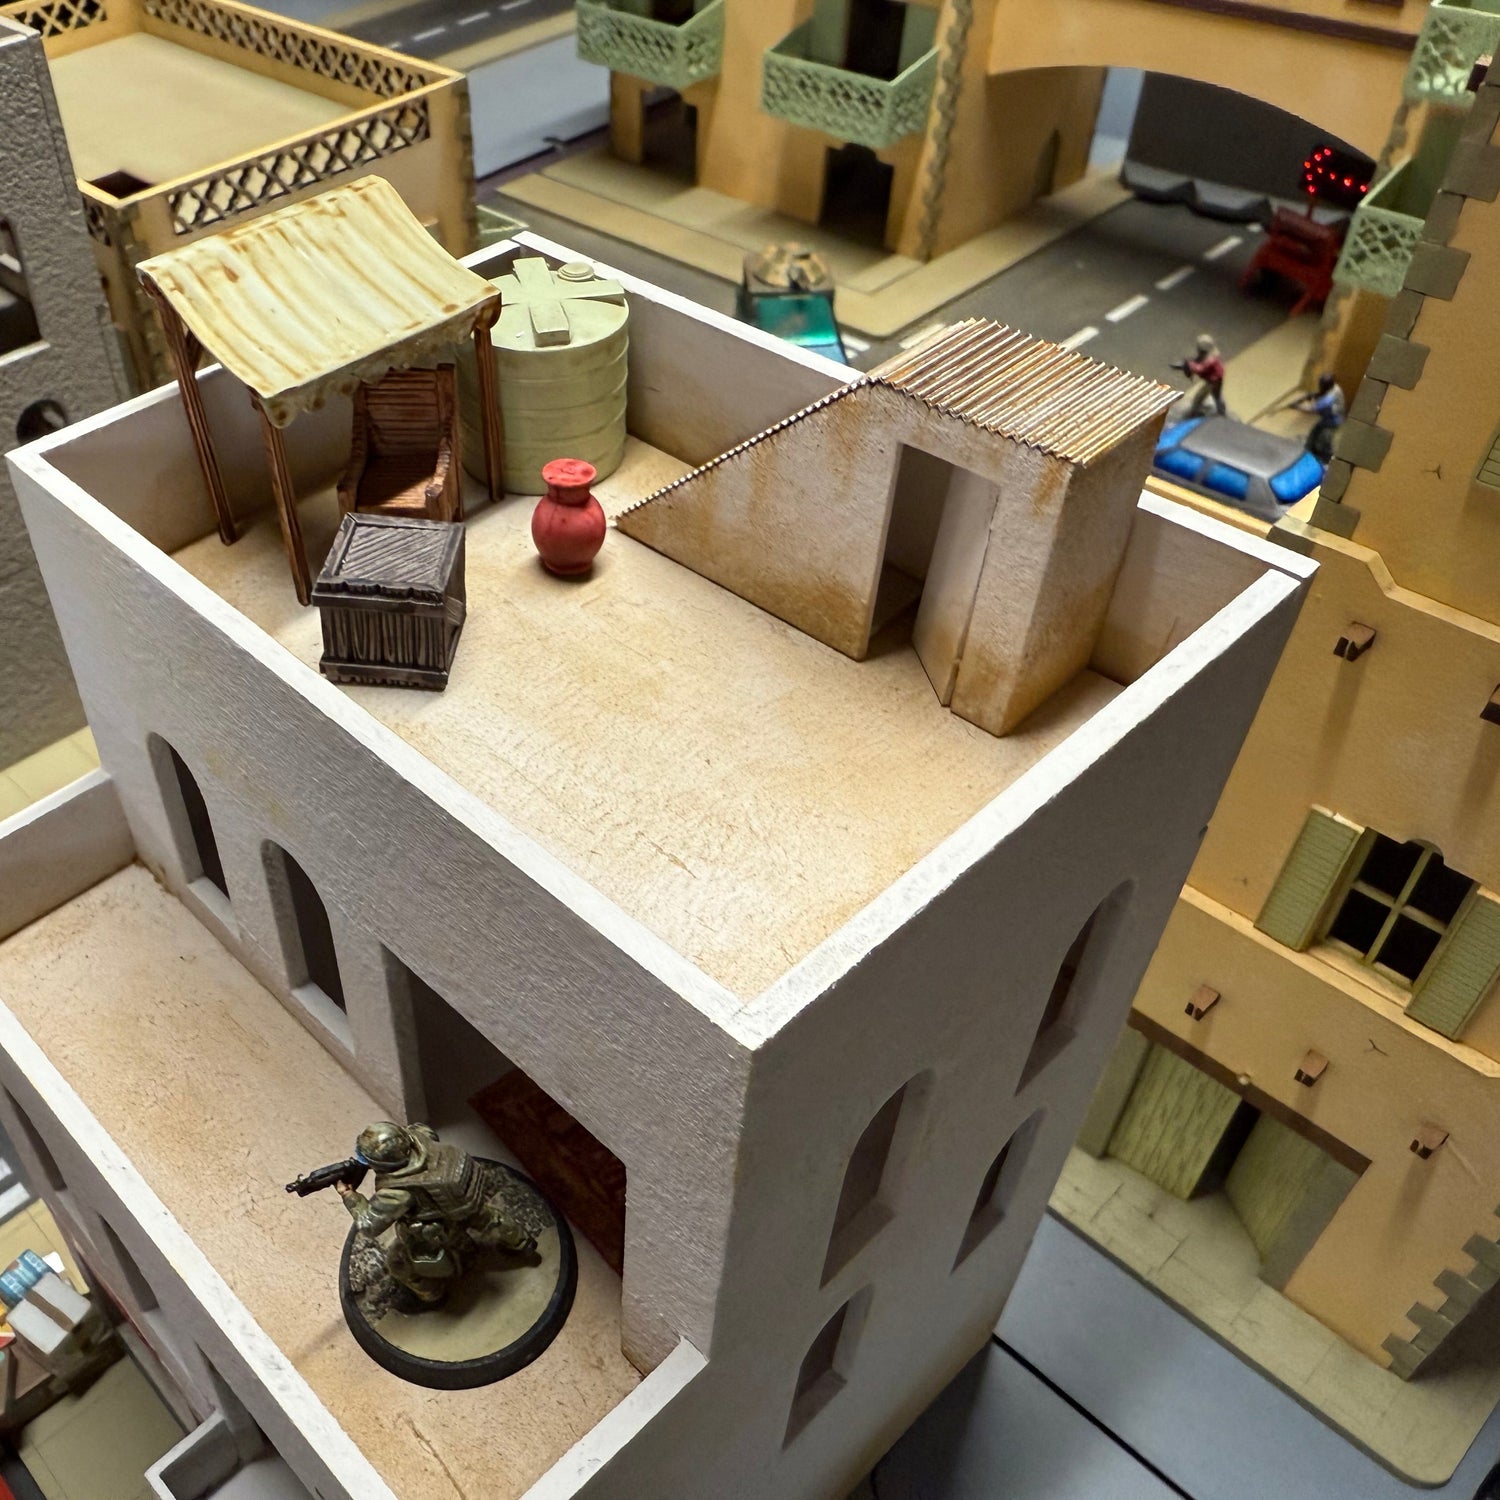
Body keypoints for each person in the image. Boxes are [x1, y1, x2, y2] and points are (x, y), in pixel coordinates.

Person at [337, 1121, 536, 1306]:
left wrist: (350, 1196)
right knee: (490, 1219)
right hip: (462, 1203)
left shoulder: (396, 1192)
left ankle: (431, 1293)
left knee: (397, 1263)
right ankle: (521, 1241)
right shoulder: (420, 1137)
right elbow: (424, 1129)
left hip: (436, 1226)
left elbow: (369, 1225)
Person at [1290, 373, 1346, 462]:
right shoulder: (1336, 388)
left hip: (1331, 423)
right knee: (1314, 434)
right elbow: (1321, 393)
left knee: (1325, 443)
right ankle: (1309, 450)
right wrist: (1312, 395)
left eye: (1321, 385)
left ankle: (1325, 460)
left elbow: (1311, 409)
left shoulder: (1327, 400)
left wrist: (1296, 406)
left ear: (1325, 386)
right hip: (1330, 419)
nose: (1319, 386)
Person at [1174, 334, 1227, 417]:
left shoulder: (1210, 359)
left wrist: (1190, 365)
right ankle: (1221, 410)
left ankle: (1194, 412)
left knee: (1199, 397)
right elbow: (1198, 361)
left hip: (1213, 381)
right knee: (1217, 396)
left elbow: (1201, 369)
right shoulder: (1209, 354)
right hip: (1216, 379)